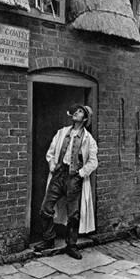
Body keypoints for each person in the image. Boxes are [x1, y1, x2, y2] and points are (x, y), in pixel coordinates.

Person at [34, 104, 98, 259]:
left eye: (80, 111)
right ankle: (48, 239)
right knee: (46, 208)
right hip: (59, 175)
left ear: (85, 119)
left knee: (74, 215)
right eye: (76, 111)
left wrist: (81, 174)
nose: (76, 113)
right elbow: (50, 152)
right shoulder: (62, 132)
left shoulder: (89, 140)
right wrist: (52, 165)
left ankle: (72, 245)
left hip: (74, 179)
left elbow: (93, 162)